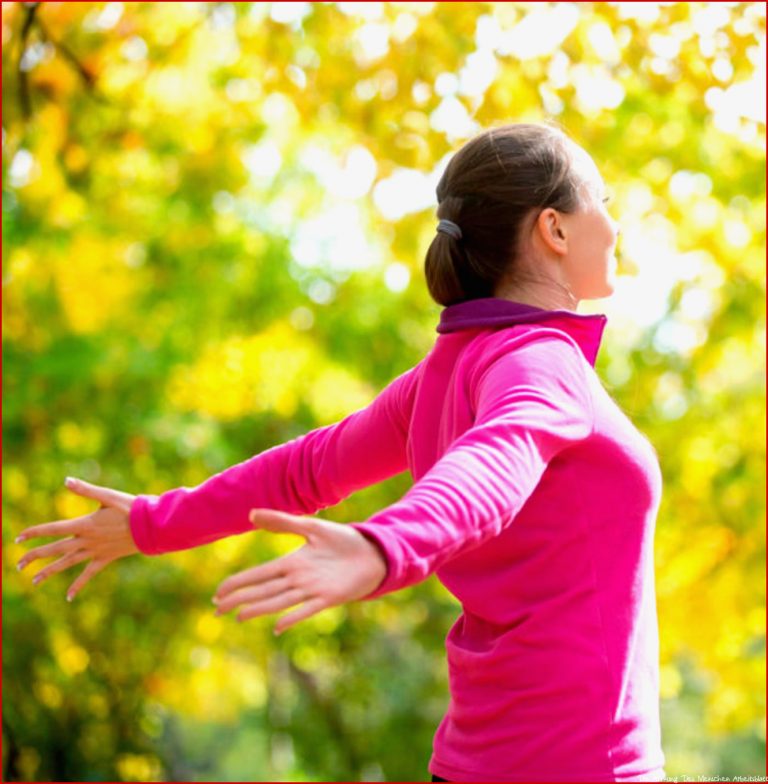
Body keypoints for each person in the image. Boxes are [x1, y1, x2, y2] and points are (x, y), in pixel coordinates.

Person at [15, 121, 666, 782]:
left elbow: (307, 470)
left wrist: (155, 522)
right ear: (554, 230)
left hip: (474, 762)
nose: (614, 225)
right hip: (582, 763)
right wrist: (386, 546)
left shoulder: (451, 371)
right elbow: (497, 459)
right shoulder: (541, 360)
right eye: (604, 202)